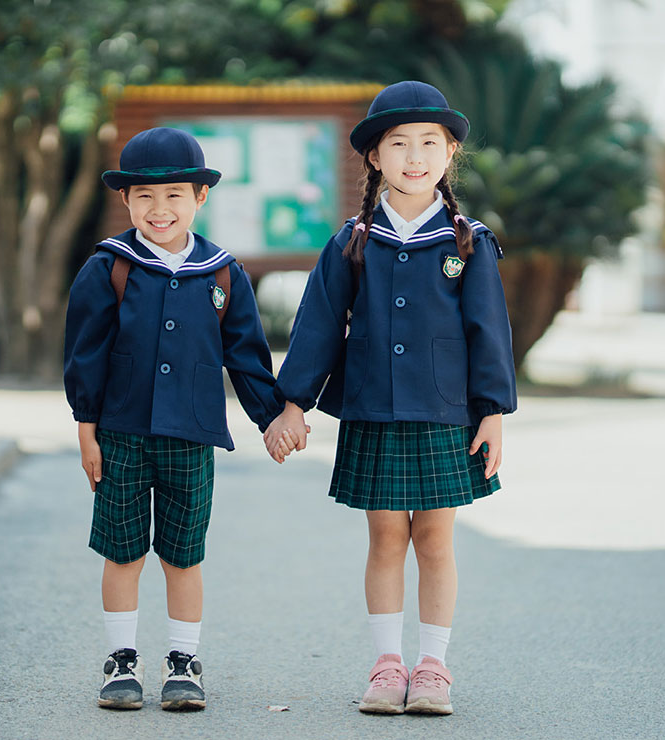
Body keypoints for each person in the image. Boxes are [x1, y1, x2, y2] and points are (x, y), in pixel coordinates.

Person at [264, 81, 517, 716]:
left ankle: (433, 667)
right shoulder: (353, 241)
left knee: (435, 540)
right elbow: (318, 326)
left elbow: (489, 332)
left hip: (446, 415)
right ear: (374, 158)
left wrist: (492, 413)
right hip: (373, 409)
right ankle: (386, 666)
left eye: (430, 143)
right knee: (384, 540)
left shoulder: (468, 241)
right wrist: (291, 402)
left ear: (451, 153)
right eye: (398, 144)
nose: (414, 156)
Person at [63, 127, 281, 712]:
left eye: (174, 196)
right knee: (123, 550)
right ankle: (121, 662)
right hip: (121, 435)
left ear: (200, 198)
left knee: (183, 552)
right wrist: (87, 432)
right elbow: (84, 354)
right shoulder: (111, 268)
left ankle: (184, 662)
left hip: (192, 436)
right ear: (127, 201)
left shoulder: (222, 274)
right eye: (146, 198)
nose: (160, 210)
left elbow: (247, 356)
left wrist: (274, 418)